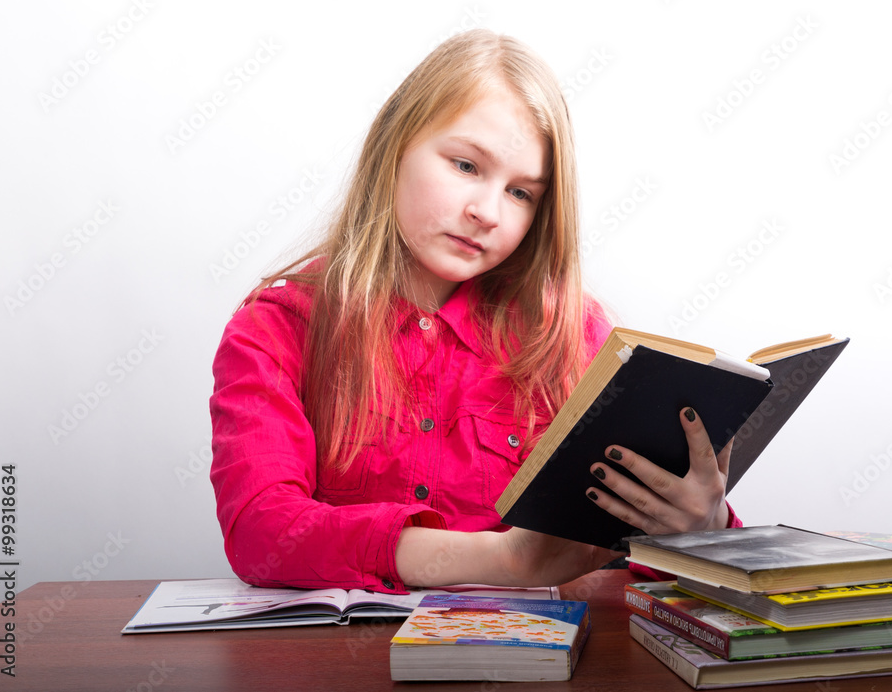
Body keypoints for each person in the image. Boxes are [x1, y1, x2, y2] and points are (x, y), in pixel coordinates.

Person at [209, 29, 740, 594]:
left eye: (521, 193)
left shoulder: (572, 336)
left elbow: (638, 552)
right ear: (394, 145)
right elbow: (264, 532)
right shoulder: (277, 326)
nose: (487, 212)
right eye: (465, 165)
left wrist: (699, 530)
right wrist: (505, 561)